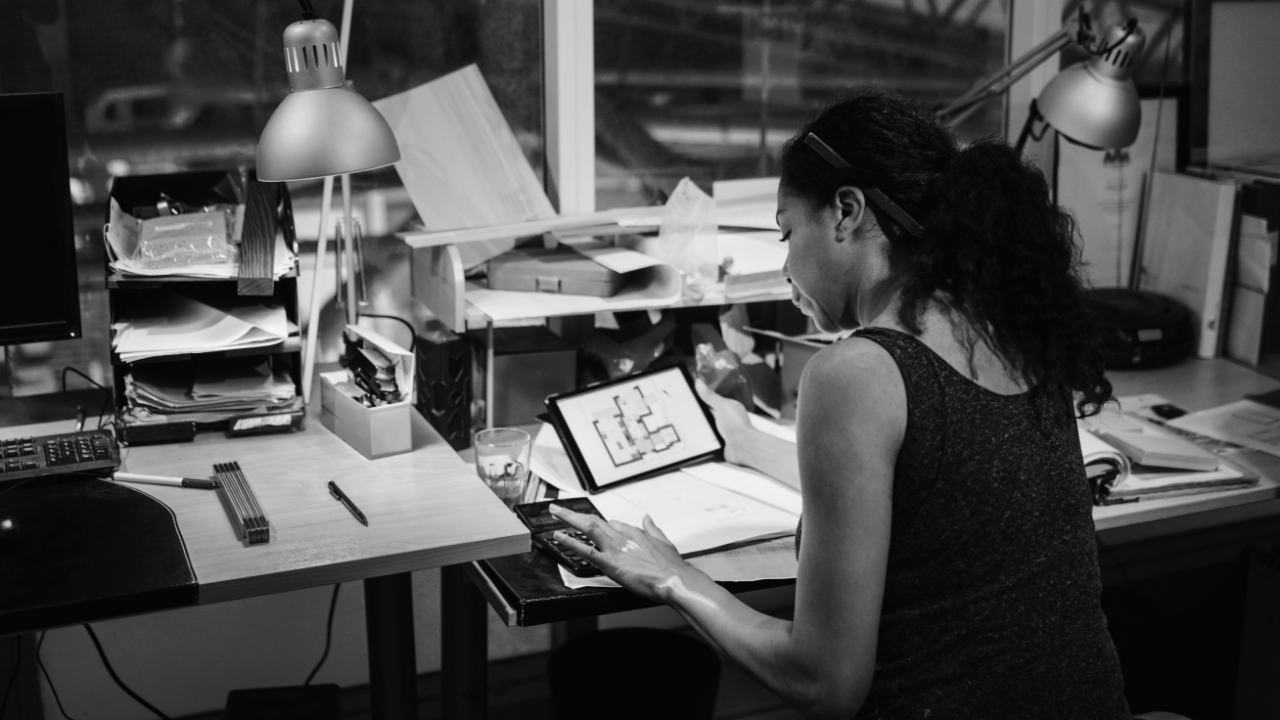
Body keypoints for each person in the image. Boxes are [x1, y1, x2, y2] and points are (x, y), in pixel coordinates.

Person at [548, 88, 1128, 719]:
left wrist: (670, 576)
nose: (787, 264)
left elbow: (823, 683)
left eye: (787, 232)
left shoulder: (856, 372)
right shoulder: (1016, 326)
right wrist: (749, 442)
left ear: (847, 212)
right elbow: (931, 487)